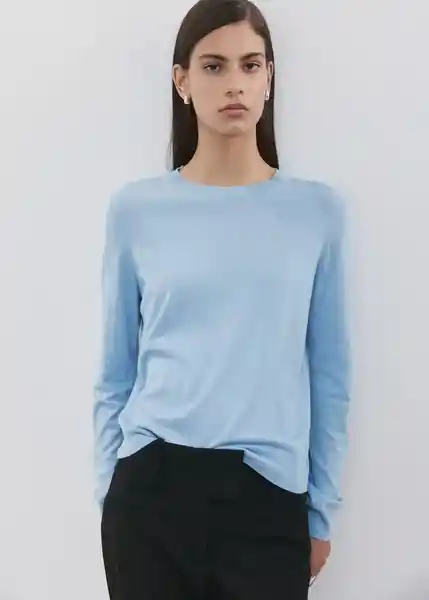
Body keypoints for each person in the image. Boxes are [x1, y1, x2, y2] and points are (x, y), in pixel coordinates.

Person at [93, 0, 352, 598]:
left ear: (269, 78)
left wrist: (320, 512)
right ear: (182, 81)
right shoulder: (136, 210)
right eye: (213, 66)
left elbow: (330, 375)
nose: (235, 83)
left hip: (267, 493)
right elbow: (115, 369)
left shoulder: (316, 212)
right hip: (151, 490)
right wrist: (111, 488)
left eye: (250, 65)